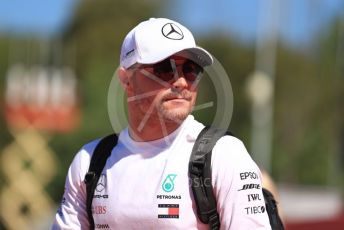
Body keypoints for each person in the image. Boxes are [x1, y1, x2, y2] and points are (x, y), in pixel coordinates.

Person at [52, 18, 272, 229]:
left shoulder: (225, 154)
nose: (182, 82)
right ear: (126, 80)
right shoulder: (88, 162)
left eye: (191, 69)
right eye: (165, 68)